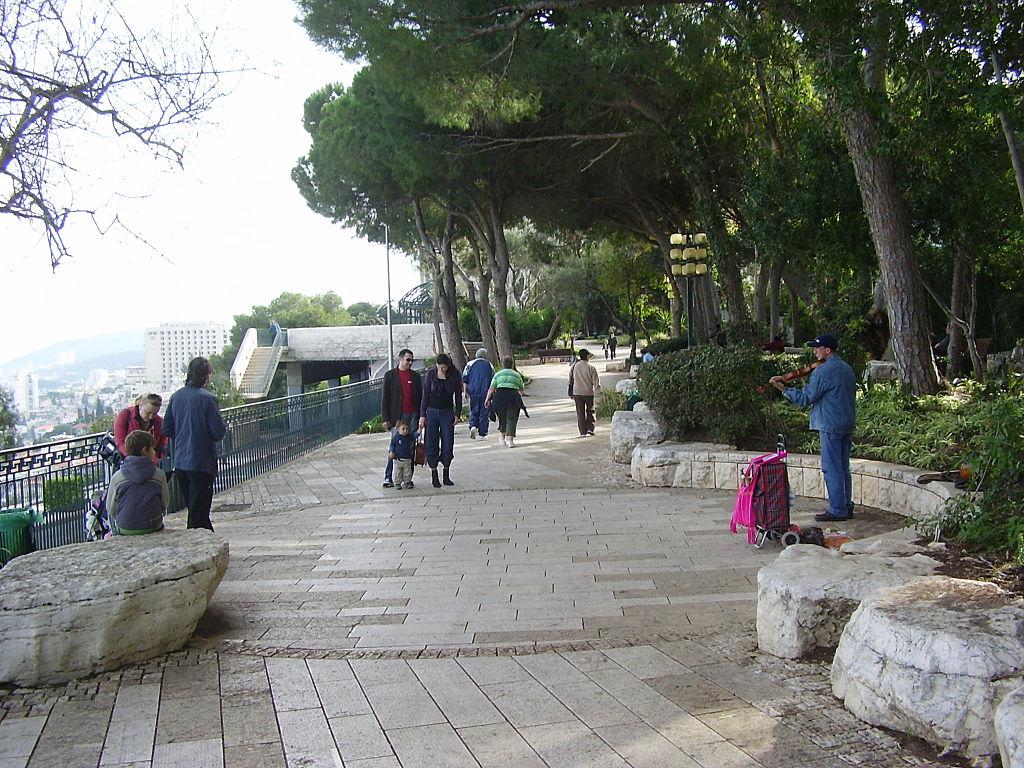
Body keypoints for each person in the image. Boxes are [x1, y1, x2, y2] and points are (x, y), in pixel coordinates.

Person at [770, 333, 856, 522]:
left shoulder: (823, 371)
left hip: (830, 424)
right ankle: (846, 505)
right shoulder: (846, 368)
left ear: (827, 350)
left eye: (817, 348)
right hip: (847, 422)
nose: (815, 351)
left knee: (831, 467)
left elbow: (805, 398)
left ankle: (837, 509)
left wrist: (784, 389)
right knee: (843, 467)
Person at [163, 356, 228, 531]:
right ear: (206, 375)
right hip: (201, 462)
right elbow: (217, 432)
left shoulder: (176, 397)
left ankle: (209, 545)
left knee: (195, 510)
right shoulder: (208, 399)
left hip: (181, 462)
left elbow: (167, 428)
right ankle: (201, 547)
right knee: (199, 513)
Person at [106, 430, 169, 535]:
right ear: (145, 450)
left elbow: (111, 509)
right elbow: (165, 504)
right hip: (152, 525)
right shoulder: (159, 475)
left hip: (125, 528)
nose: (154, 451)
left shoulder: (117, 477)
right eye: (153, 448)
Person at [381, 348, 423, 488]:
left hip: (413, 415)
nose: (410, 362)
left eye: (412, 360)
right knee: (394, 446)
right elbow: (385, 398)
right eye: (408, 360)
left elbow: (420, 397)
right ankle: (389, 477)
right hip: (398, 417)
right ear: (401, 359)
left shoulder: (416, 377)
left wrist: (422, 416)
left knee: (410, 447)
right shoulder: (390, 376)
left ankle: (407, 478)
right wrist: (386, 418)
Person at [419, 353, 462, 487]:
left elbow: (457, 395)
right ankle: (434, 474)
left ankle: (446, 472)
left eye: (444, 368)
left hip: (447, 411)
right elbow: (425, 394)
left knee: (448, 442)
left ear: (448, 366)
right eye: (439, 367)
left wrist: (457, 413)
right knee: (431, 442)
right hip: (431, 411)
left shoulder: (454, 375)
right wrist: (422, 415)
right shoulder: (431, 374)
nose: (441, 370)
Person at [484, 357, 526, 448]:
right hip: (513, 397)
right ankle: (510, 440)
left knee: (502, 418)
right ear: (512, 364)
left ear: (502, 364)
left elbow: (492, 388)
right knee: (511, 418)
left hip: (500, 397)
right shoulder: (516, 375)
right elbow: (521, 389)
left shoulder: (498, 374)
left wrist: (487, 399)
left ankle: (502, 438)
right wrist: (520, 394)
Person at [113, 393, 166, 463]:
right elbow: (120, 441)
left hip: (151, 463)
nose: (151, 416)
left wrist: (156, 457)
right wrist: (133, 459)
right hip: (127, 462)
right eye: (148, 412)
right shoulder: (125, 415)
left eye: (154, 414)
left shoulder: (159, 422)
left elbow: (162, 444)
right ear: (140, 406)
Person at [569, 349, 602, 437]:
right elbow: (596, 382)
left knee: (580, 412)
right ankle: (590, 428)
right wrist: (599, 392)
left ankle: (582, 431)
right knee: (590, 410)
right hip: (588, 393)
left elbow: (570, 379)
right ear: (587, 356)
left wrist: (570, 391)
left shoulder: (574, 366)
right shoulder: (591, 368)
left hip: (577, 392)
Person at [462, 348, 494, 440]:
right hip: (485, 392)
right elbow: (493, 379)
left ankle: (473, 426)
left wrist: (465, 391)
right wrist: (492, 394)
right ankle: (482, 434)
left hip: (473, 392)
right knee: (484, 413)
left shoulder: (469, 364)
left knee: (474, 410)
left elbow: (465, 378)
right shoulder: (489, 365)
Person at [388, 420, 417, 490]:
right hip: (398, 459)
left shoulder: (410, 437)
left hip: (407, 459)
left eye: (407, 429)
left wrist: (420, 429)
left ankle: (407, 482)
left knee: (408, 472)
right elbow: (392, 445)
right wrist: (391, 452)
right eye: (403, 429)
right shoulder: (396, 437)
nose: (405, 431)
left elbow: (416, 435)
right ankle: (397, 483)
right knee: (397, 472)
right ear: (398, 429)